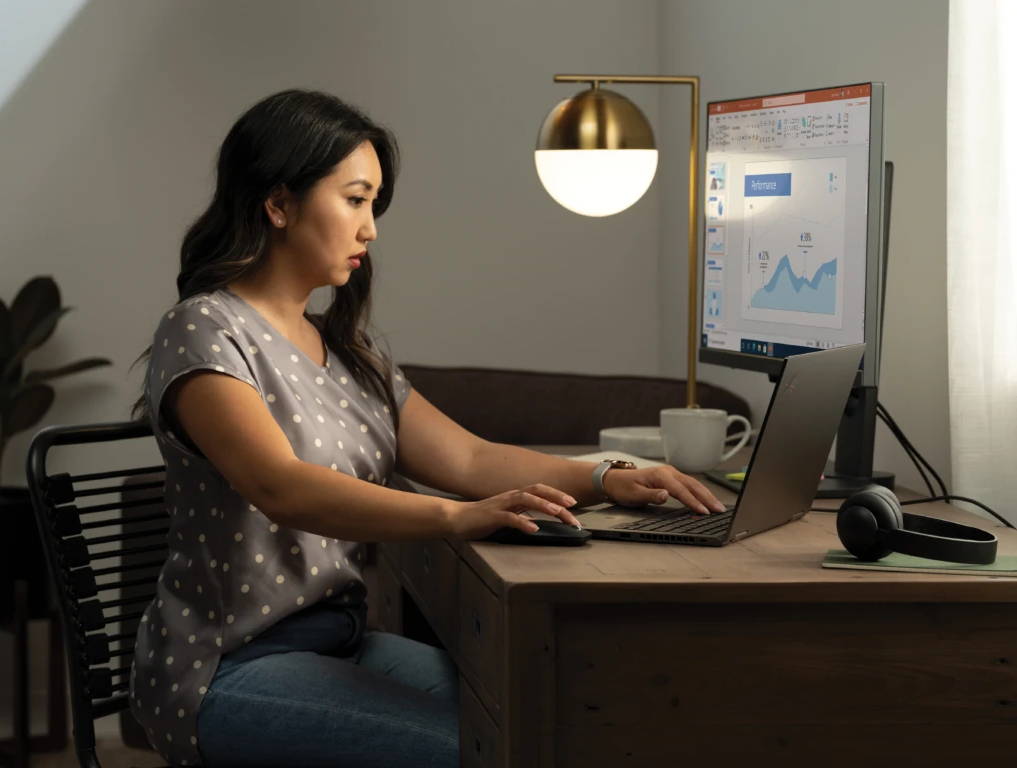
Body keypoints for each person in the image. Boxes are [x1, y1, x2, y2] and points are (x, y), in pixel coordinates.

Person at [127, 88, 724, 768]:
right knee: (485, 751)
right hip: (227, 666)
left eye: (374, 205)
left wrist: (605, 476)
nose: (371, 228)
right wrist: (453, 517)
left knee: (551, 716)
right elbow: (281, 485)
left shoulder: (347, 346)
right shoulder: (204, 328)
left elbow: (468, 458)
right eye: (355, 199)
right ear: (280, 203)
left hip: (343, 640)